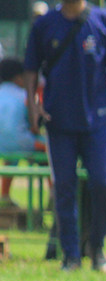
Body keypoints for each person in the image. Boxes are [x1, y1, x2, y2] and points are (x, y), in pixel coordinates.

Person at [24, 0, 106, 272]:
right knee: (64, 187)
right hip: (58, 118)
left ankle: (97, 247)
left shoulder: (104, 22)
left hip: (97, 119)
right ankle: (70, 255)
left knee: (102, 181)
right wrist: (33, 105)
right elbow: (31, 69)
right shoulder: (44, 25)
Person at [0, 58, 42, 209]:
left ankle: (4, 195)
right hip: (21, 142)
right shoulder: (24, 96)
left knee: (11, 158)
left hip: (2, 146)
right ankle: (53, 194)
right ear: (19, 78)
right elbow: (34, 124)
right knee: (48, 152)